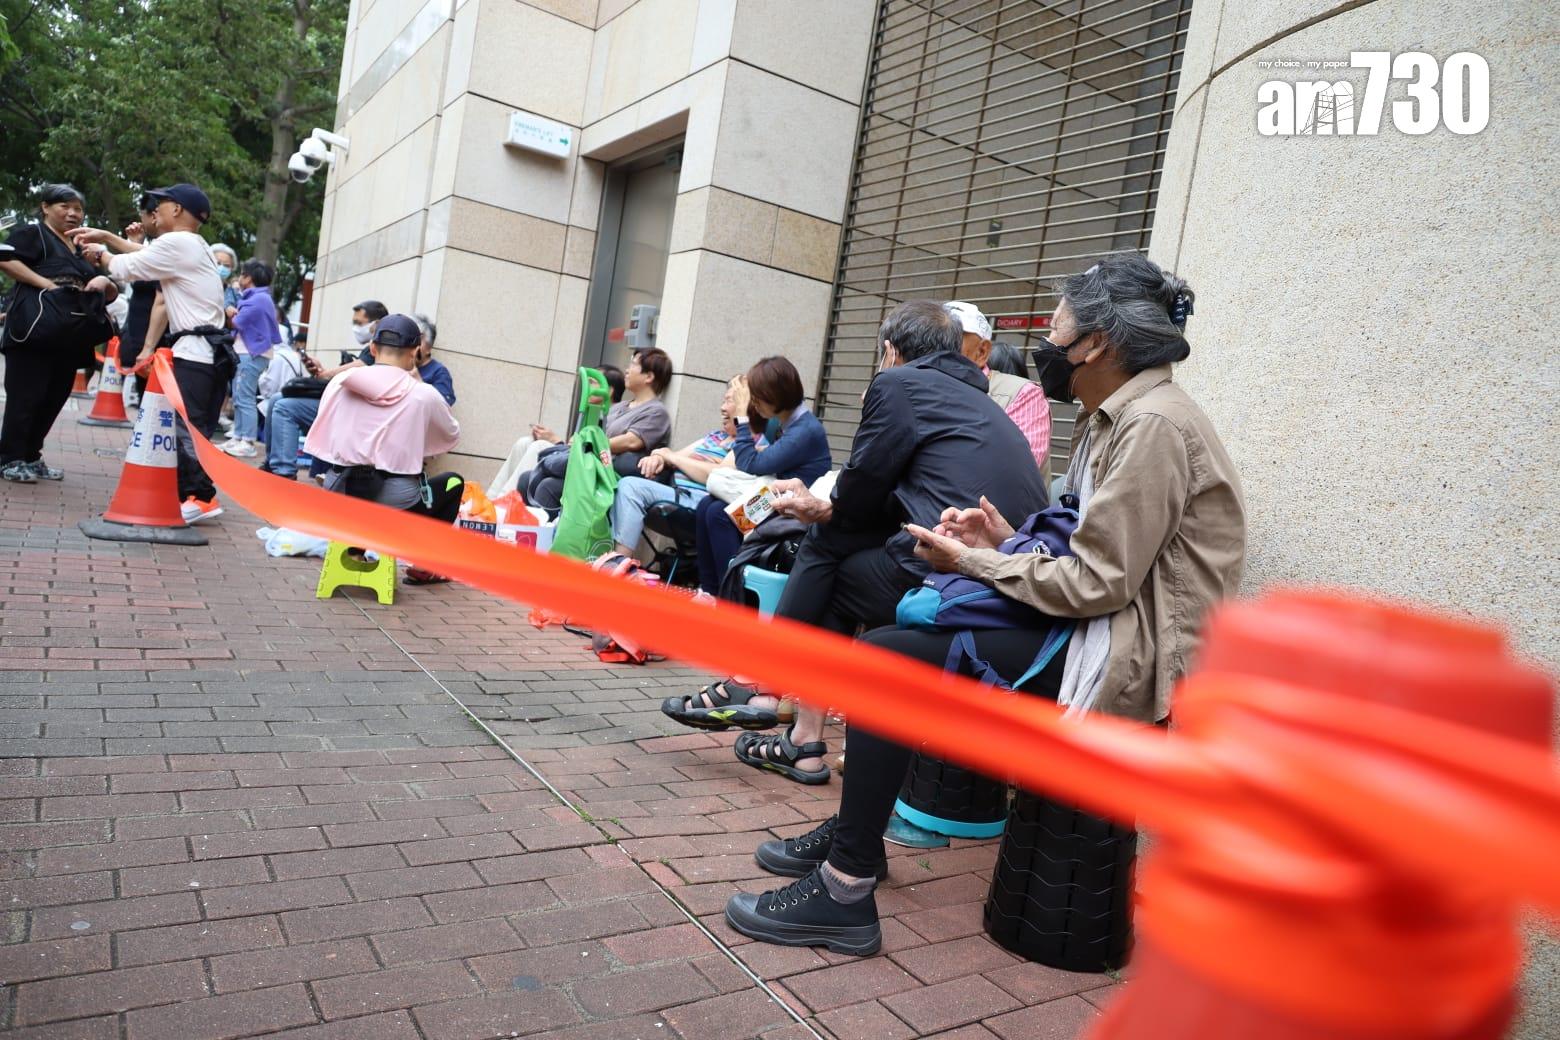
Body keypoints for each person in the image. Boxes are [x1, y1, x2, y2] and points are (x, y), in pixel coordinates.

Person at [723, 255, 1246, 957]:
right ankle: (857, 843)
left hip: (1123, 653)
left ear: (1097, 344)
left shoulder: (1151, 426)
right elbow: (1088, 549)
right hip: (1093, 628)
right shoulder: (1118, 418)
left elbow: (1099, 584)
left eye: (1057, 328)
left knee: (883, 658)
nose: (1046, 345)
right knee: (890, 640)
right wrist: (1001, 538)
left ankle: (845, 885)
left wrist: (973, 561)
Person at [663, 300, 1049, 784]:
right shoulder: (981, 402)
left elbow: (861, 489)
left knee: (826, 550)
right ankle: (792, 727)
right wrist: (830, 509)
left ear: (890, 351)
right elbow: (903, 497)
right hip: (1011, 579)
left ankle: (765, 689)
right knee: (834, 550)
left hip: (950, 574)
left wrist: (822, 510)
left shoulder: (898, 383)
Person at [73, 184, 229, 523]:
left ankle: (200, 497)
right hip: (207, 353)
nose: (156, 211)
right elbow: (142, 255)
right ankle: (194, 493)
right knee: (192, 425)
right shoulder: (192, 243)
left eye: (162, 204)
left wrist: (100, 254)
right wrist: (108, 239)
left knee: (186, 427)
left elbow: (126, 268)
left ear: (177, 209)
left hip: (196, 353)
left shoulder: (178, 243)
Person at [303, 314, 463, 584]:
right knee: (453, 483)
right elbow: (451, 435)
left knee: (359, 490)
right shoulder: (423, 394)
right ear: (415, 352)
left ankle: (355, 552)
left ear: (373, 348)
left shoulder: (341, 383)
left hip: (339, 494)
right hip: (395, 505)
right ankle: (425, 565)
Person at [0, 184, 120, 483]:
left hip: (70, 335)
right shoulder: (33, 234)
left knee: (54, 397)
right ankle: (10, 458)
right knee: (25, 396)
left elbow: (110, 291)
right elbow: (5, 259)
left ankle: (31, 456)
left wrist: (105, 282)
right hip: (33, 330)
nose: (72, 213)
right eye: (64, 206)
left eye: (78, 209)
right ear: (45, 207)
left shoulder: (81, 248)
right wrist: (48, 285)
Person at [692, 356, 833, 597]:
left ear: (774, 396)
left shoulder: (805, 430)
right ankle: (709, 592)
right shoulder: (789, 423)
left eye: (757, 398)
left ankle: (732, 597)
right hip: (776, 499)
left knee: (719, 514)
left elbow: (750, 463)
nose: (754, 403)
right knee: (707, 505)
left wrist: (742, 416)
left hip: (792, 514)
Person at [608, 375, 748, 558]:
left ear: (745, 405)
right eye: (723, 400)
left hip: (700, 504)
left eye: (729, 401)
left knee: (630, 486)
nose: (722, 408)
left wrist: (672, 458)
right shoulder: (716, 436)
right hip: (677, 492)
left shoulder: (748, 443)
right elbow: (672, 455)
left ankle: (619, 561)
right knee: (616, 481)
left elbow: (716, 475)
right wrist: (659, 456)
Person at [523, 347, 673, 511]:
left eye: (633, 364)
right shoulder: (620, 407)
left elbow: (631, 441)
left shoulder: (656, 412)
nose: (627, 370)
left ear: (649, 377)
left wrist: (589, 444)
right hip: (592, 469)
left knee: (548, 486)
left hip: (608, 477)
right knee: (527, 479)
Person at [264, 300, 387, 479]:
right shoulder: (372, 347)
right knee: (276, 399)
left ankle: (283, 473)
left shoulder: (377, 348)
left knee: (284, 407)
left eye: (359, 323)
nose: (355, 328)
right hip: (343, 404)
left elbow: (359, 367)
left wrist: (324, 374)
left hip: (351, 412)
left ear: (376, 324)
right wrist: (323, 372)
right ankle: (272, 464)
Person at [487, 364, 624, 498]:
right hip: (573, 458)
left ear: (608, 391)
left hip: (588, 470)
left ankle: (505, 502)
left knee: (539, 446)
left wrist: (555, 440)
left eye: (592, 383)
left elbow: (589, 452)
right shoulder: (592, 413)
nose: (586, 387)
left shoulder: (613, 417)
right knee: (524, 443)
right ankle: (491, 499)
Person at [946, 301, 1051, 474]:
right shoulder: (914, 385)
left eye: (951, 339)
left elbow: (1016, 471)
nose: (938, 347)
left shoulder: (1025, 394)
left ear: (982, 352)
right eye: (933, 337)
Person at [218, 260, 282, 457]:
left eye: (242, 274)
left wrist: (229, 311)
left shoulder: (259, 299)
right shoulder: (258, 297)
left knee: (244, 397)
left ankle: (247, 441)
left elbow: (237, 322)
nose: (239, 278)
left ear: (249, 278)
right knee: (240, 396)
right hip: (249, 353)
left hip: (252, 353)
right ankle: (238, 437)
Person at [257, 329, 308, 429]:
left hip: (276, 403)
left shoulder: (276, 356)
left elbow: (270, 385)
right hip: (294, 401)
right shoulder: (298, 356)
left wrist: (262, 377)